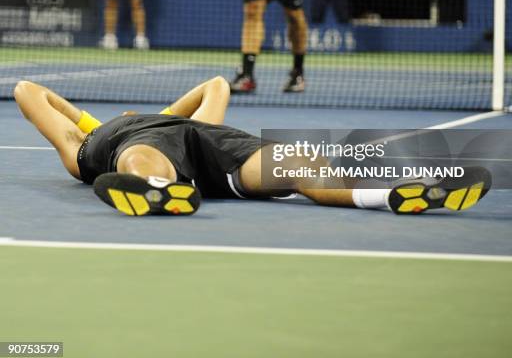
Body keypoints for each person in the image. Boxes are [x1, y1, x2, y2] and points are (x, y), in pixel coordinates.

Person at [13, 76, 492, 217]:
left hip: (214, 152)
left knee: (302, 163)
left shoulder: (167, 120)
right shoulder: (81, 147)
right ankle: (155, 190)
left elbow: (216, 85)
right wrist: (91, 120)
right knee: (140, 160)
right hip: (140, 147)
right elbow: (27, 91)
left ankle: (393, 193)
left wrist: (151, 113)